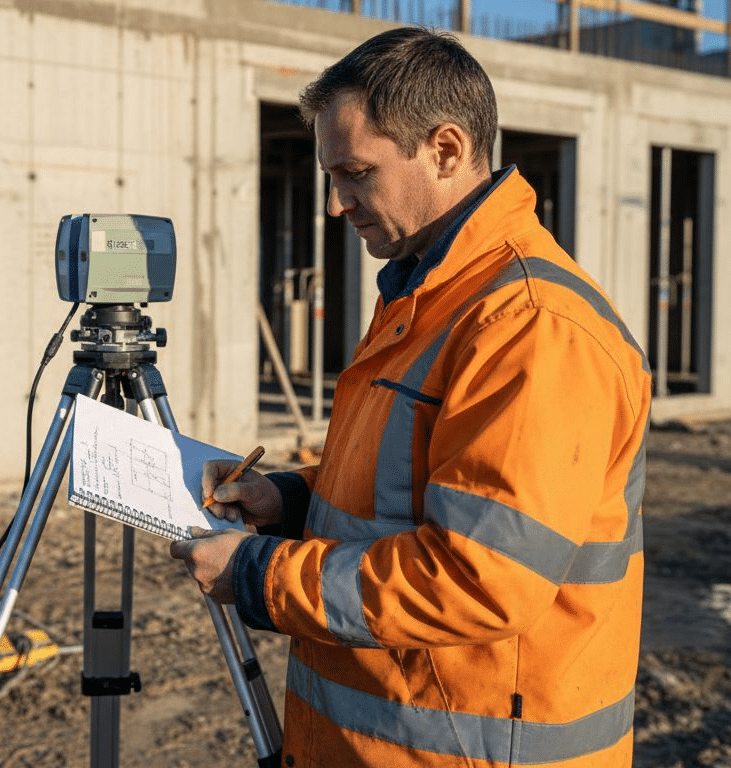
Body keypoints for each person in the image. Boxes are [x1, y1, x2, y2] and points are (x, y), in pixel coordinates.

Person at [169, 26, 650, 767]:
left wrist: (257, 574)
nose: (338, 204)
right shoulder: (429, 294)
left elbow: (479, 577)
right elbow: (412, 488)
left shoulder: (530, 327)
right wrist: (288, 502)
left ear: (446, 151)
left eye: (357, 172)